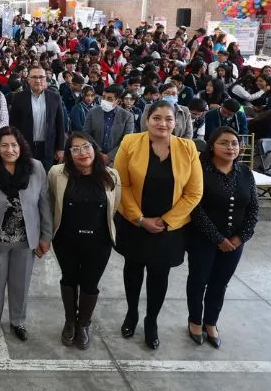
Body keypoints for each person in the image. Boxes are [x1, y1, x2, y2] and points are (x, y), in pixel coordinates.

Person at [114, 100, 203, 350]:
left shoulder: (188, 148)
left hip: (169, 228)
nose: (162, 123)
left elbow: (193, 193)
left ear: (176, 122)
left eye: (168, 119)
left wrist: (165, 221)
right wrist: (140, 219)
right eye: (157, 118)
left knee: (159, 275)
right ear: (147, 119)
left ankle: (151, 320)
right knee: (133, 270)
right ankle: (132, 314)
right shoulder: (130, 143)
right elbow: (122, 183)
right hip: (135, 222)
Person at [0, 126, 51, 342]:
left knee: (20, 284)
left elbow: (44, 205)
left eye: (14, 145)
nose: (10, 149)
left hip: (25, 240)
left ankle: (18, 321)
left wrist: (45, 237)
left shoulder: (36, 168)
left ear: (21, 147)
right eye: (4, 145)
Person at [184, 127, 258, 349]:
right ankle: (195, 320)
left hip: (235, 242)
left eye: (234, 143)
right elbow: (195, 208)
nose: (231, 148)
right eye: (224, 143)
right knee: (199, 281)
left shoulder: (245, 172)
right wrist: (217, 238)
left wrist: (240, 238)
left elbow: (253, 208)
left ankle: (211, 323)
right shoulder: (199, 170)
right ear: (212, 146)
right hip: (203, 238)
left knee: (220, 283)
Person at [48, 131, 120, 350]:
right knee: (69, 279)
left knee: (90, 283)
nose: (82, 152)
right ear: (69, 153)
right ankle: (70, 322)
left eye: (86, 147)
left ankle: (83, 325)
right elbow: (51, 203)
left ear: (95, 149)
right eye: (75, 148)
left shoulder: (111, 175)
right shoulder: (56, 173)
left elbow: (114, 206)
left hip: (99, 242)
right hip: (66, 240)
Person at [9, 66, 67, 169]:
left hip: (48, 148)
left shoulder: (55, 97)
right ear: (28, 80)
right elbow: (13, 125)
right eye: (34, 77)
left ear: (45, 79)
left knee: (45, 180)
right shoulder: (18, 98)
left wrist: (60, 148)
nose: (38, 80)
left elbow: (60, 124)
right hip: (25, 147)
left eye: (41, 77)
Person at [84, 87, 135, 162]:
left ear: (118, 101)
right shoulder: (92, 112)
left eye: (109, 99)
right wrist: (98, 152)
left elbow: (126, 140)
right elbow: (86, 134)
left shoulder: (127, 116)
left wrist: (109, 156)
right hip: (94, 156)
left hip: (115, 159)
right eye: (103, 97)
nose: (105, 101)